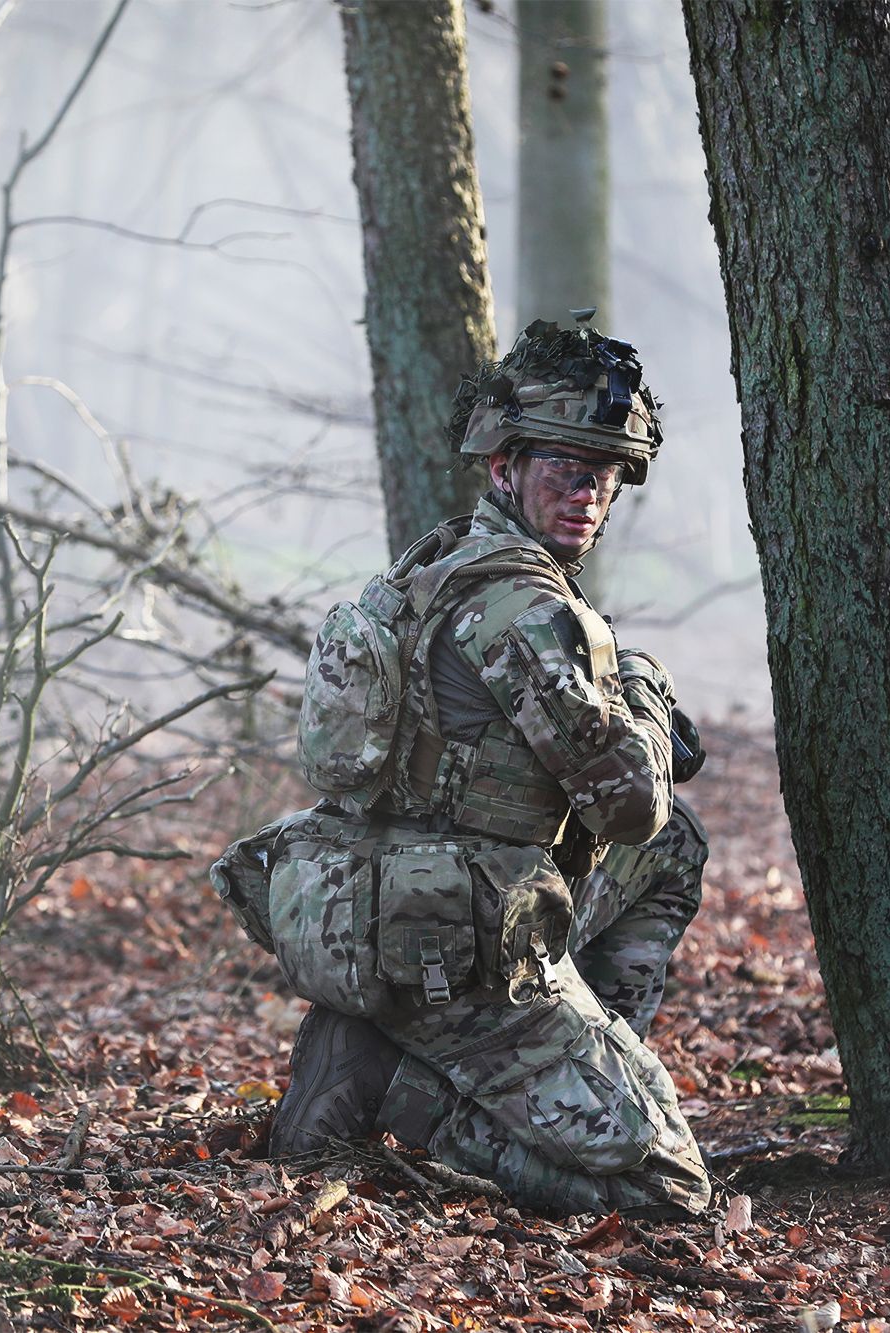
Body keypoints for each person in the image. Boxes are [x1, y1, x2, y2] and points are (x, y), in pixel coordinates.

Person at [225, 319, 712, 1218]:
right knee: (668, 1190)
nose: (588, 492)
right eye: (565, 466)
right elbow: (632, 805)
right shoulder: (523, 605)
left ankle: (570, 1067)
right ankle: (402, 1094)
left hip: (386, 906)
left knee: (677, 849)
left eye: (606, 474)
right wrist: (642, 686)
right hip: (463, 947)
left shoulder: (433, 564)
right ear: (504, 467)